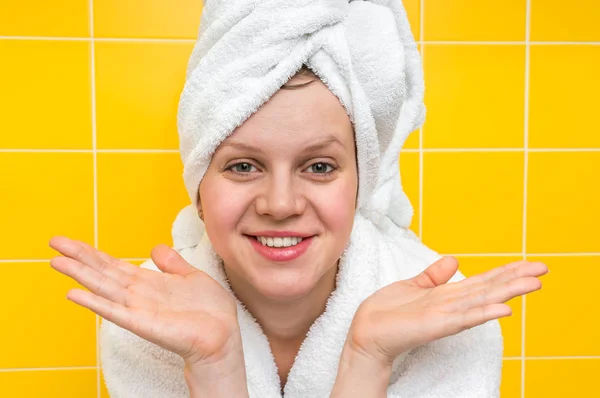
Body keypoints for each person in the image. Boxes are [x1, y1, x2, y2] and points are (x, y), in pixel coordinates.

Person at [48, 1, 548, 397]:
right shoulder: (149, 322)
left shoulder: (441, 317)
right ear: (199, 188)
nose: (281, 203)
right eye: (243, 166)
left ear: (359, 184)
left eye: (319, 166)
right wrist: (215, 365)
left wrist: (367, 358)